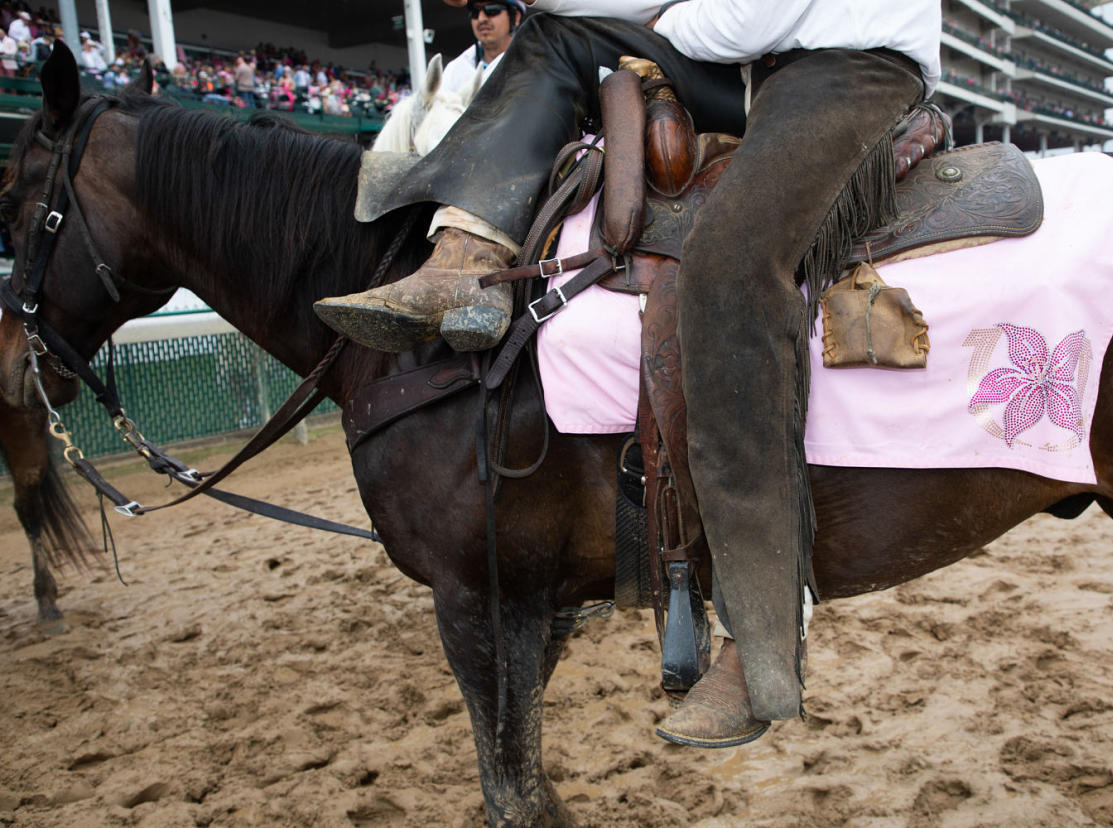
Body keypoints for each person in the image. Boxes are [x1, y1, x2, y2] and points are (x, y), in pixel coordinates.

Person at [315, 0, 940, 748]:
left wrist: (664, 23)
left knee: (732, 270)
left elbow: (746, 17)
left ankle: (763, 645)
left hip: (844, 68)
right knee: (553, 33)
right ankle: (466, 252)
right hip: (749, 70)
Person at [440, 0, 525, 95]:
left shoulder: (533, 63)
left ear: (516, 17)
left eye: (491, 10)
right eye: (475, 11)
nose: (481, 19)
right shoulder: (454, 70)